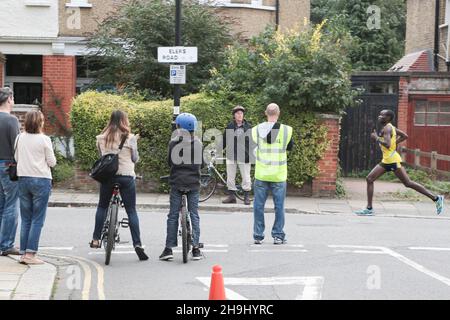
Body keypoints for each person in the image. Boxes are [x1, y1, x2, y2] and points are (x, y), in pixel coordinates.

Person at [355, 109, 444, 216]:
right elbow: (405, 136)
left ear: (388, 118)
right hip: (388, 159)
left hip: (392, 160)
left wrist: (377, 138)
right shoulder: (391, 127)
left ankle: (436, 198)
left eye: (382, 115)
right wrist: (394, 143)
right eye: (379, 114)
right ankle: (369, 208)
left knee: (407, 183)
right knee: (371, 179)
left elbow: (387, 144)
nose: (379, 116)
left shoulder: (387, 128)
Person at [90, 110, 148, 261]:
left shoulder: (101, 138)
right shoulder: (130, 138)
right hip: (126, 178)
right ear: (124, 121)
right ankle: (138, 244)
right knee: (131, 211)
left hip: (108, 178)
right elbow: (135, 159)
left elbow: (102, 158)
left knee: (102, 206)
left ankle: (96, 239)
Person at [159, 113, 204, 261]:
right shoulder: (198, 143)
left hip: (177, 183)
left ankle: (168, 249)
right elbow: (202, 164)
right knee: (194, 214)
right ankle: (196, 248)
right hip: (193, 184)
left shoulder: (173, 143)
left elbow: (169, 162)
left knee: (173, 215)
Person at [15, 110, 56, 264]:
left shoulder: (19, 138)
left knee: (26, 218)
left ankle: (23, 253)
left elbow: (16, 158)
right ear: (40, 122)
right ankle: (30, 255)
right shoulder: (44, 139)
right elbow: (52, 162)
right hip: (41, 180)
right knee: (37, 219)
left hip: (23, 179)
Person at [251, 103, 293, 245]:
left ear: (265, 113)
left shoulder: (256, 130)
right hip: (278, 175)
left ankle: (258, 235)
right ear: (279, 113)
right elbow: (290, 147)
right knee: (279, 206)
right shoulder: (286, 130)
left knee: (258, 205)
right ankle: (278, 235)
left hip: (261, 173)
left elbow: (253, 147)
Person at [0, 87, 20, 257]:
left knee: (1, 204)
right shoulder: (11, 120)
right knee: (11, 204)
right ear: (8, 99)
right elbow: (17, 147)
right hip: (8, 165)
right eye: (13, 99)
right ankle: (6, 244)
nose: (13, 102)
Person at [222, 105, 253, 205]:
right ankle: (232, 197)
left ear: (243, 115)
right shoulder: (230, 126)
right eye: (237, 113)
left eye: (241, 113)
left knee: (246, 177)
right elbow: (224, 140)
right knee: (230, 177)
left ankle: (246, 197)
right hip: (231, 155)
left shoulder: (249, 127)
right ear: (234, 115)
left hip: (244, 155)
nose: (239, 115)